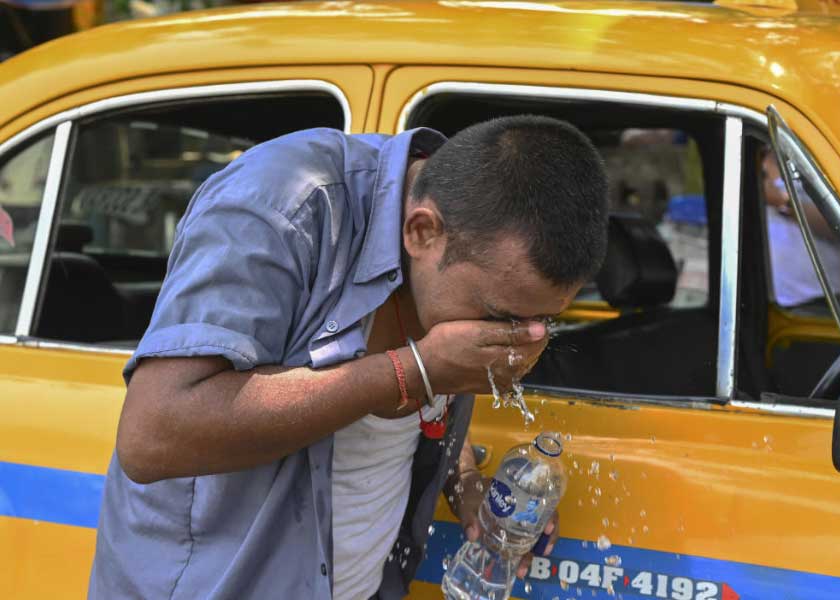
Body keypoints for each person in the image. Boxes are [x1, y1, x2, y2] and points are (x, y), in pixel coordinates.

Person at [88, 115, 609, 600]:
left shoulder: (470, 233)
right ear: (421, 232)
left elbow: (426, 398)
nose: (517, 341)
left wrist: (464, 481)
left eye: (541, 324)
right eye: (499, 318)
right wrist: (416, 370)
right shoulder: (283, 205)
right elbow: (152, 436)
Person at [760, 148, 840, 310]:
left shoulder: (818, 157)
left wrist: (784, 202)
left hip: (817, 299)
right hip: (768, 302)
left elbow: (837, 227)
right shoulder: (749, 149)